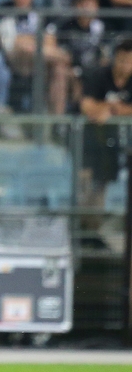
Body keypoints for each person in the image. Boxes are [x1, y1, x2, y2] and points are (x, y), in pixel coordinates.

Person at [78, 39, 132, 236]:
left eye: (129, 61)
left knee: (103, 183)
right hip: (89, 140)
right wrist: (111, 109)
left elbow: (106, 110)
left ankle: (94, 230)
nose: (125, 66)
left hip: (117, 143)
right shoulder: (99, 75)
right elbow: (87, 107)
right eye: (121, 60)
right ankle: (83, 230)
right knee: (86, 185)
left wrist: (113, 110)